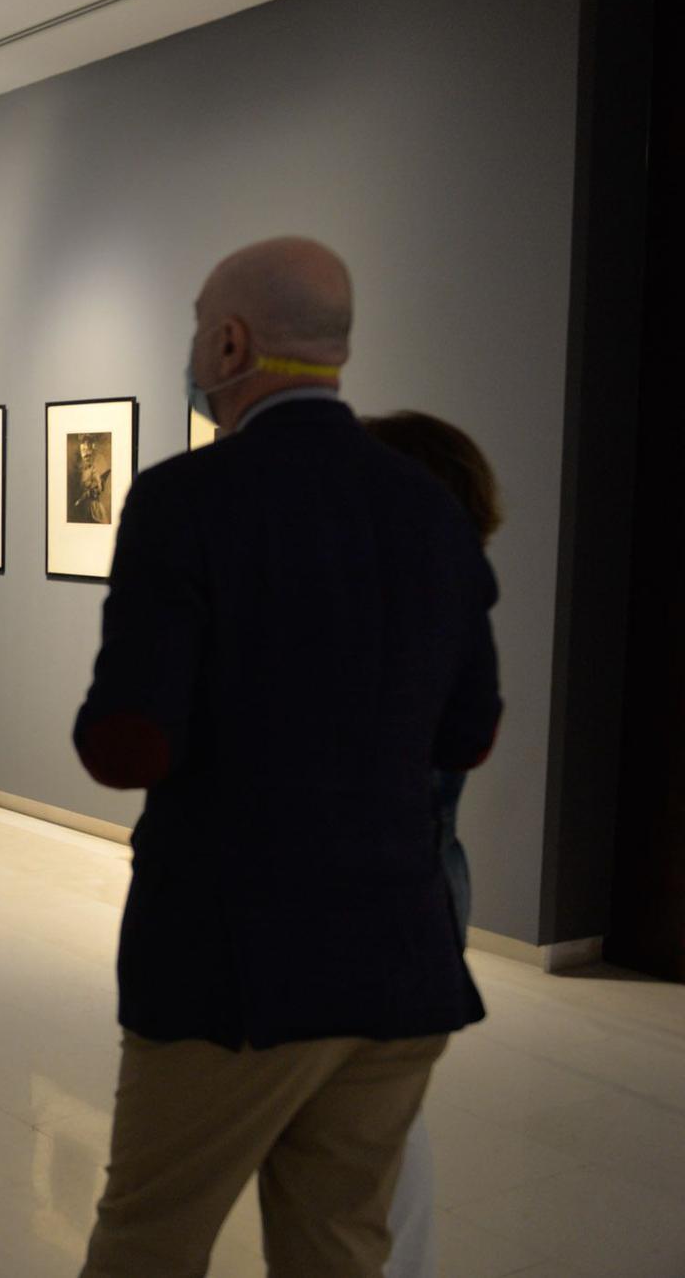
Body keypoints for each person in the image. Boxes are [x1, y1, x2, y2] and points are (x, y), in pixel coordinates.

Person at [72, 238, 502, 1278]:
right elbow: (467, 731)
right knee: (339, 1247)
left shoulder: (184, 499)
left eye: (193, 327)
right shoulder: (429, 509)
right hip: (397, 966)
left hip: (230, 969)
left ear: (228, 342)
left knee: (148, 1237)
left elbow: (126, 741)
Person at [362, 410, 505, 1278]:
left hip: (384, 916)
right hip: (417, 909)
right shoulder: (448, 610)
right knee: (381, 1127)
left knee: (375, 1134)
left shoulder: (402, 623)